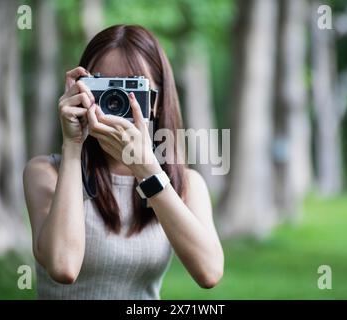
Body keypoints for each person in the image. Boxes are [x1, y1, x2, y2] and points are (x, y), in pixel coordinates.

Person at [23, 24, 223, 299]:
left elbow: (209, 273)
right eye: (103, 85)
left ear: (158, 100)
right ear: (80, 90)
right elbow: (63, 267)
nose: (115, 102)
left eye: (131, 88)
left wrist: (147, 170)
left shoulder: (187, 184)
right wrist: (72, 147)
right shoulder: (46, 172)